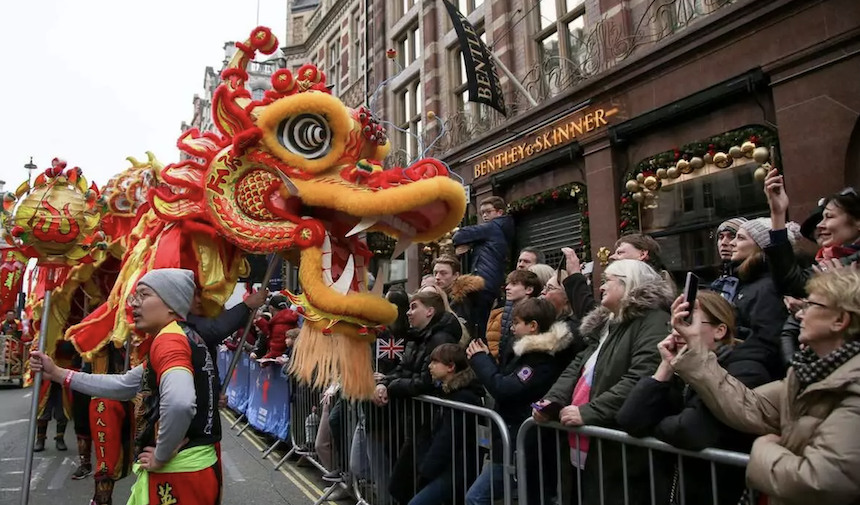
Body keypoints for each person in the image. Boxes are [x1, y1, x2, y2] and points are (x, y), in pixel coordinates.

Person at [30, 268, 222, 505]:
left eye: (143, 295)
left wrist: (162, 454)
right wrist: (59, 373)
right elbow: (125, 385)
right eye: (135, 296)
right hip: (198, 470)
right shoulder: (186, 336)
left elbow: (180, 403)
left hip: (180, 475)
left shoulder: (169, 342)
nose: (134, 304)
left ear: (171, 304)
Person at [667, 270, 860, 505]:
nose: (800, 314)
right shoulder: (805, 373)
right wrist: (696, 347)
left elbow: (822, 481)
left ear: (840, 320)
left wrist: (762, 449)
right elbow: (750, 406)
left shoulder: (852, 385)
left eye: (811, 305)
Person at [535, 259, 672, 505]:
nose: (601, 286)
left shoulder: (654, 321)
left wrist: (588, 412)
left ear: (629, 284)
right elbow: (579, 365)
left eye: (609, 280)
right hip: (589, 446)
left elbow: (642, 376)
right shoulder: (610, 322)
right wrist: (552, 401)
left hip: (621, 453)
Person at [617, 291, 772, 505]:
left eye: (688, 322)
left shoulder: (745, 369)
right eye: (674, 324)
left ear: (719, 330)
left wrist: (652, 426)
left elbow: (689, 430)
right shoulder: (680, 369)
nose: (678, 331)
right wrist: (664, 368)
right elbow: (630, 419)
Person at [465, 298, 575, 505]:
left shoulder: (540, 358)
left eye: (516, 323)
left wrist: (480, 360)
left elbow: (505, 389)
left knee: (476, 498)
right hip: (515, 442)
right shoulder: (524, 352)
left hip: (525, 443)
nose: (512, 328)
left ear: (533, 326)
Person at [764, 169, 860, 298]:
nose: (820, 225)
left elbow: (793, 284)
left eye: (829, 216)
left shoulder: (853, 263)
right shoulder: (828, 261)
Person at [407, 343, 483, 505]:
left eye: (435, 362)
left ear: (450, 367)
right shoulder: (446, 393)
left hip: (456, 469)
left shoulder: (463, 398)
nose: (430, 366)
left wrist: (427, 469)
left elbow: (447, 439)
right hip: (448, 467)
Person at [731, 217, 799, 377]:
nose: (732, 243)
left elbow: (768, 338)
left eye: (740, 238)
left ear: (761, 246)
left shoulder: (767, 286)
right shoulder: (752, 281)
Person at [375, 291, 462, 404]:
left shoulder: (441, 340)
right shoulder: (415, 338)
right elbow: (402, 370)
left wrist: (391, 387)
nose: (408, 313)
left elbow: (426, 381)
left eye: (414, 307)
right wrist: (383, 383)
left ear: (429, 311)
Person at [452, 196, 515, 336]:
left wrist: (466, 242)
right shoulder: (503, 229)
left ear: (499, 212)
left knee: (478, 328)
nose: (485, 216)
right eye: (482, 213)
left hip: (482, 283)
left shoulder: (493, 227)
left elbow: (460, 235)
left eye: (488, 211)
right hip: (492, 283)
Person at [485, 270, 543, 359]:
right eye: (508, 284)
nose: (507, 288)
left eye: (514, 284)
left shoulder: (536, 313)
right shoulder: (504, 312)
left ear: (529, 289)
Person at [433, 255, 485, 339]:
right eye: (435, 273)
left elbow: (463, 332)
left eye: (443, 273)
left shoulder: (463, 298)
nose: (437, 277)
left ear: (455, 275)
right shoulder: (436, 294)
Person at [710, 217, 747, 301]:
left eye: (732, 236)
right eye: (721, 237)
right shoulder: (717, 284)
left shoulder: (752, 280)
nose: (724, 243)